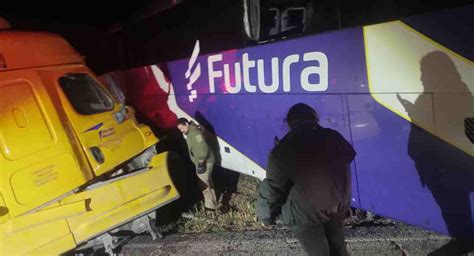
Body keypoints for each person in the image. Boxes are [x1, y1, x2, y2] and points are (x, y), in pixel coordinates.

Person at [256, 103, 356, 256]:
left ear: (290, 123)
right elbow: (349, 155)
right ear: (314, 118)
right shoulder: (333, 136)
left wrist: (266, 216)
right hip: (337, 204)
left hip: (305, 213)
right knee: (339, 249)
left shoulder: (283, 149)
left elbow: (273, 187)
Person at [177, 118, 219, 211]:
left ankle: (210, 208)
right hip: (204, 161)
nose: (181, 131)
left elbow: (203, 147)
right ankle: (213, 203)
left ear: (186, 124)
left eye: (182, 128)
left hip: (205, 161)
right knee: (207, 182)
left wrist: (200, 162)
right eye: (180, 129)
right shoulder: (191, 132)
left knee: (204, 184)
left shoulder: (194, 133)